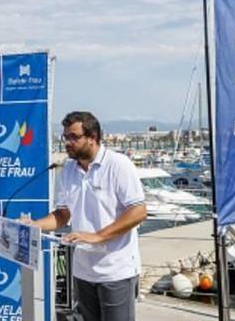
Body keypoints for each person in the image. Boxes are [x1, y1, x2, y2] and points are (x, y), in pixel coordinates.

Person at [22, 111, 147, 321]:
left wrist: (98, 235)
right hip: (83, 271)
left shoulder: (118, 164)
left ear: (93, 137)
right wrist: (34, 225)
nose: (67, 143)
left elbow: (138, 211)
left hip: (116, 270)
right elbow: (62, 215)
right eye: (65, 137)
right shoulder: (68, 170)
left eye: (74, 137)